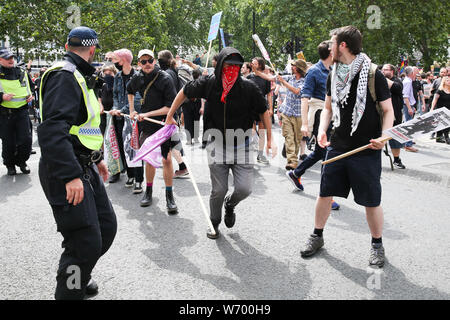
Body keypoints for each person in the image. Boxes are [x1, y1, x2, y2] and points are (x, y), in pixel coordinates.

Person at [299, 26, 394, 268]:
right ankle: (317, 236)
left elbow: (388, 111)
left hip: (367, 148)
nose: (329, 47)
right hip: (338, 145)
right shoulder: (334, 73)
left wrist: (384, 138)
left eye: (333, 43)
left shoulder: (374, 74)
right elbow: (328, 108)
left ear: (342, 45)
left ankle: (377, 245)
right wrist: (321, 131)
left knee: (371, 201)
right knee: (324, 194)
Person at [37, 26, 117, 299]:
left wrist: (98, 159)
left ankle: (81, 274)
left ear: (68, 44)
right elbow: (51, 132)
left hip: (85, 164)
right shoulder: (65, 76)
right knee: (83, 242)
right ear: (92, 48)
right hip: (65, 168)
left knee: (105, 228)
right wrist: (70, 175)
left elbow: (85, 126)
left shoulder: (81, 75)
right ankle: (70, 291)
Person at [165, 47, 273, 239]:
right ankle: (214, 222)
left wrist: (270, 139)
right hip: (217, 145)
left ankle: (230, 205)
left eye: (236, 66)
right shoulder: (208, 83)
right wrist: (170, 114)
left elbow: (264, 110)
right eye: (228, 65)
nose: (231, 70)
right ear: (220, 64)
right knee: (219, 189)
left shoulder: (248, 88)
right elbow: (184, 91)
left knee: (244, 189)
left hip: (244, 145)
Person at [284, 41, 340, 210]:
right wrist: (305, 124)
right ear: (331, 53)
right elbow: (304, 97)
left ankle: (296, 173)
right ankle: (327, 196)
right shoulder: (314, 71)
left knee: (320, 153)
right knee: (327, 155)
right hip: (319, 115)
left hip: (330, 115)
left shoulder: (334, 70)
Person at [127, 49, 178, 213]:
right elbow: (129, 90)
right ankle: (148, 192)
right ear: (139, 63)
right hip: (146, 124)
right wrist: (131, 110)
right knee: (149, 159)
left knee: (167, 159)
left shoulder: (165, 78)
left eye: (149, 60)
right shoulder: (137, 77)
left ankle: (169, 196)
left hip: (164, 122)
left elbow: (170, 107)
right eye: (143, 61)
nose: (147, 64)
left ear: (155, 61)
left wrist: (146, 114)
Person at [109, 48, 144, 192]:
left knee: (135, 148)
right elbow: (116, 95)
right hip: (119, 118)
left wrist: (121, 111)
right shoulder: (117, 76)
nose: (113, 62)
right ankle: (129, 175)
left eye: (115, 59)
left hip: (133, 118)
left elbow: (136, 99)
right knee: (123, 147)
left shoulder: (138, 76)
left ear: (123, 60)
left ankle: (139, 180)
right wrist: (115, 108)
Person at [0, 48, 34, 176]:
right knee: (8, 143)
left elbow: (29, 87)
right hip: (5, 114)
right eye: (7, 58)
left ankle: (21, 161)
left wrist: (31, 96)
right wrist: (1, 97)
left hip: (22, 112)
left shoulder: (21, 71)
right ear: (0, 60)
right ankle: (10, 165)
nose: (11, 60)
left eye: (12, 57)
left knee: (26, 140)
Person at [276, 59, 307, 170]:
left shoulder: (305, 81)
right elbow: (271, 78)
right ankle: (292, 161)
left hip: (299, 114)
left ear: (298, 68)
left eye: (293, 65)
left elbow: (296, 91)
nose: (291, 67)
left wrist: (283, 82)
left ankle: (292, 156)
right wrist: (258, 72)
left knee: (296, 139)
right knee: (289, 137)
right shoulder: (289, 77)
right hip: (287, 112)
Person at [248, 57, 272, 164]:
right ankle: (253, 146)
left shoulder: (266, 79)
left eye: (255, 63)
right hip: (250, 108)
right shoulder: (248, 77)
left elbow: (269, 95)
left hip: (262, 107)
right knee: (252, 131)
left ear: (260, 65)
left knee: (262, 131)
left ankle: (260, 154)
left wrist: (270, 108)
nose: (252, 64)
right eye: (252, 63)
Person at [382, 64, 406, 169]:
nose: (383, 71)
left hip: (394, 115)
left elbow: (397, 88)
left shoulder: (397, 81)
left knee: (395, 138)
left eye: (385, 70)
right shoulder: (379, 82)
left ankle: (397, 159)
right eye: (382, 69)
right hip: (381, 114)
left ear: (392, 71)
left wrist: (382, 78)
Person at [402, 66, 419, 152]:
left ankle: (406, 143)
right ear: (412, 73)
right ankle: (408, 145)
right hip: (407, 105)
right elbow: (405, 96)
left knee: (407, 124)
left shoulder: (407, 81)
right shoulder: (408, 82)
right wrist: (409, 108)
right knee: (409, 125)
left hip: (409, 105)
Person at [430, 76, 450, 144]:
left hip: (448, 110)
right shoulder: (439, 91)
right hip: (441, 110)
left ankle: (438, 138)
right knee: (445, 123)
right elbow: (434, 100)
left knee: (443, 124)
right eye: (447, 80)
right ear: (444, 81)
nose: (449, 81)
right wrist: (432, 109)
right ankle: (447, 138)